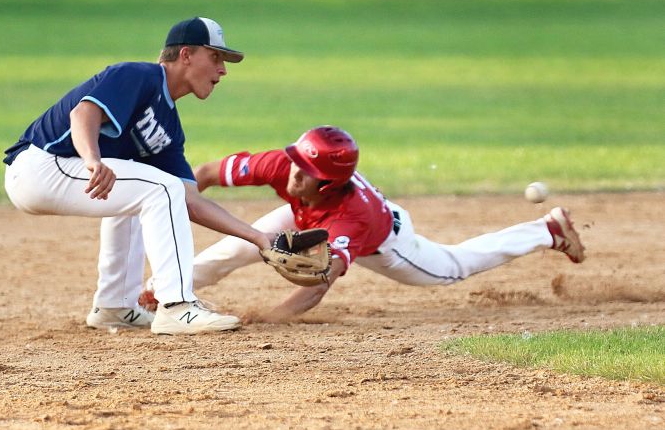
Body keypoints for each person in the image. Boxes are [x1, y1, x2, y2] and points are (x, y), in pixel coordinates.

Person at [2, 17, 274, 335]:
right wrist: (92, 160)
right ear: (185, 55)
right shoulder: (138, 75)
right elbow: (83, 113)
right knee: (160, 187)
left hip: (58, 172)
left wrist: (258, 238)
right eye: (215, 57)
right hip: (41, 165)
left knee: (150, 193)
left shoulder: (168, 129)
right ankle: (177, 306)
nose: (223, 70)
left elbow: (189, 200)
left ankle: (114, 306)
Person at [186, 126, 586, 323]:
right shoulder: (285, 166)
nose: (294, 172)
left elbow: (320, 283)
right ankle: (162, 292)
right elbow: (203, 172)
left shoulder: (352, 219)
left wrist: (266, 322)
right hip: (310, 211)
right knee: (239, 245)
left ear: (327, 183)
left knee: (453, 267)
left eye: (306, 170)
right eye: (298, 160)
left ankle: (546, 231)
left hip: (386, 241)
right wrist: (176, 198)